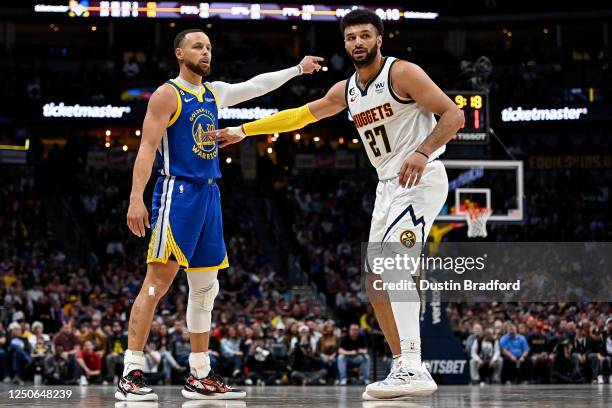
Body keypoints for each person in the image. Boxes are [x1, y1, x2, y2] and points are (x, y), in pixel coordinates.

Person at [207, 9, 463, 400]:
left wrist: (424, 151)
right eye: (351, 38)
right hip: (387, 186)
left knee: (393, 263)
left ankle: (414, 364)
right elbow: (298, 117)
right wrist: (243, 130)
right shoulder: (347, 90)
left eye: (365, 35)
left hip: (421, 178)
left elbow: (454, 114)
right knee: (375, 280)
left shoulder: (402, 73)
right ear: (344, 44)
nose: (358, 43)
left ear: (379, 39)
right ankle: (401, 366)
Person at [120, 27, 323, 402]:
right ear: (179, 53)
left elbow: (256, 86)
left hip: (209, 194)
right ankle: (131, 370)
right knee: (156, 283)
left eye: (209, 47)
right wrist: (137, 197)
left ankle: (200, 374)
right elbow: (147, 148)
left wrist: (296, 69)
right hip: (177, 192)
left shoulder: (213, 93)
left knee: (205, 290)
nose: (206, 52)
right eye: (198, 46)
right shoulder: (168, 94)